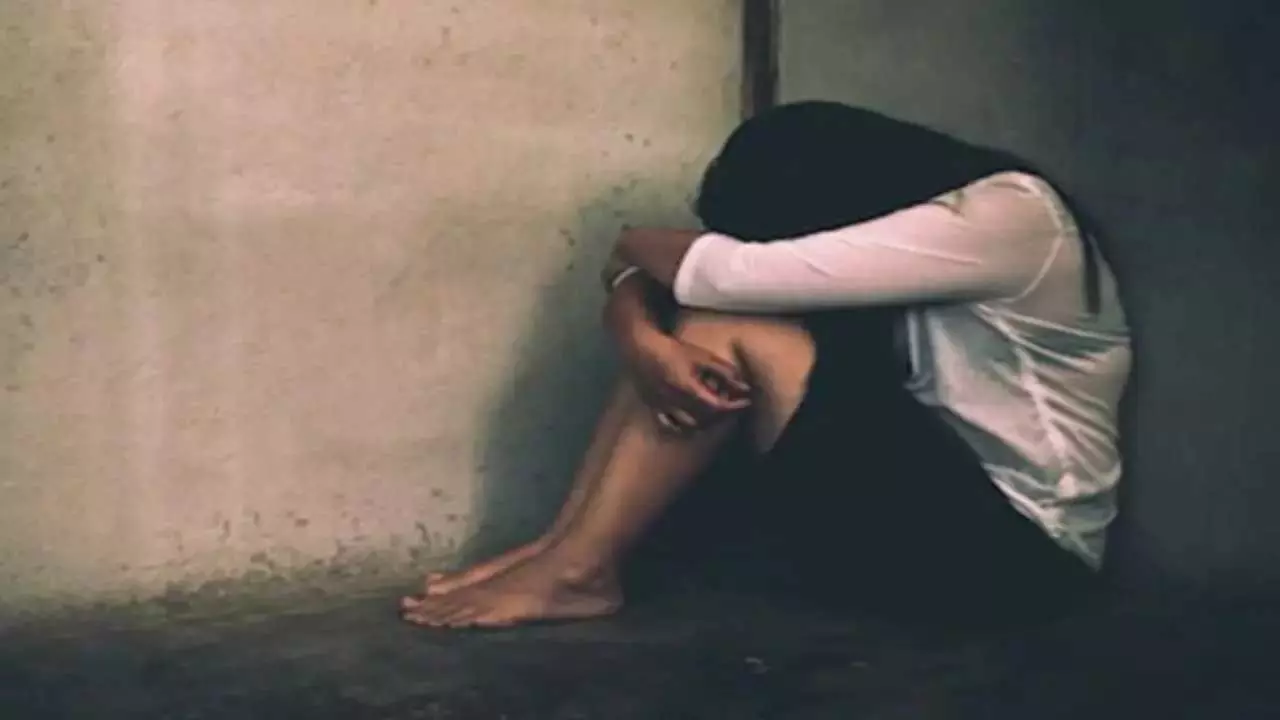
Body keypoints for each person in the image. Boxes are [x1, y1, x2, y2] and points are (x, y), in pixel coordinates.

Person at [399, 101, 1132, 630]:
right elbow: (681, 279)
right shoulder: (911, 224)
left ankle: (579, 570)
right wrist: (641, 337)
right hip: (935, 517)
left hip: (1023, 561)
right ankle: (563, 548)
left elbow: (718, 275)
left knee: (728, 320)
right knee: (701, 328)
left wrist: (627, 254)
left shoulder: (1014, 215)